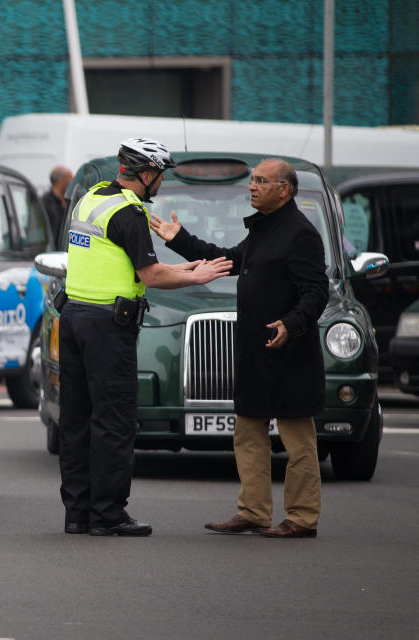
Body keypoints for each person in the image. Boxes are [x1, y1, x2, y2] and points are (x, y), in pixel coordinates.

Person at [59, 138, 232, 536]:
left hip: (73, 318)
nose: (161, 184)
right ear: (147, 174)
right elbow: (151, 275)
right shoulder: (129, 213)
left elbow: (111, 258)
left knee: (76, 419)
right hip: (107, 326)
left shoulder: (91, 198)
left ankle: (78, 513)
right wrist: (197, 276)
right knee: (115, 421)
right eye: (161, 175)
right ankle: (108, 515)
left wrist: (185, 267)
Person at [149, 158, 329, 539]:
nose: (252, 186)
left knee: (298, 442)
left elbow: (316, 293)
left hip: (289, 355)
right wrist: (179, 239)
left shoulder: (301, 234)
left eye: (262, 181)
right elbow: (228, 260)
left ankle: (301, 517)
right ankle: (253, 511)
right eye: (252, 180)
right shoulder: (265, 230)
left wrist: (291, 324)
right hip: (256, 355)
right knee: (248, 434)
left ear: (285, 189)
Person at [41, 166, 72, 240]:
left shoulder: (69, 201)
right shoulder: (45, 203)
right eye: (71, 178)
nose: (72, 181)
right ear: (61, 180)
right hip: (52, 250)